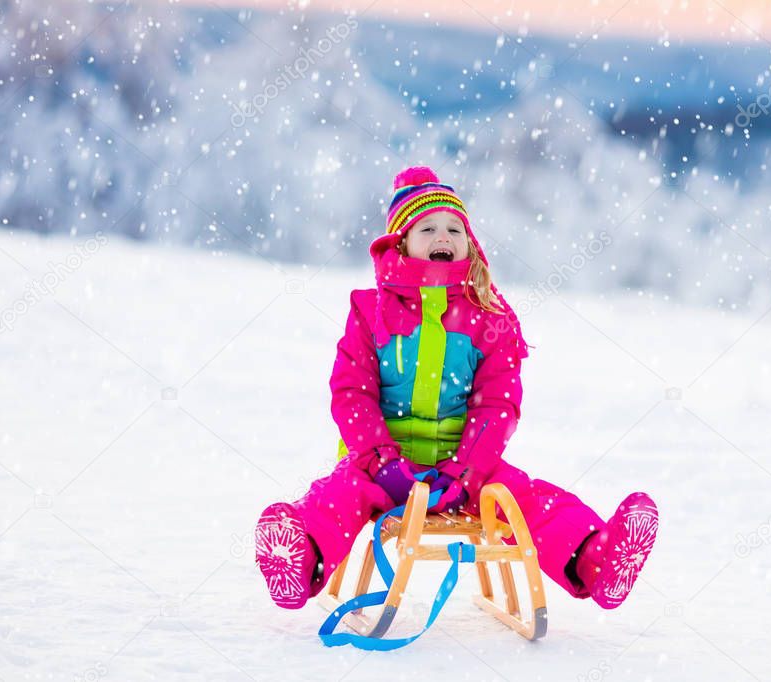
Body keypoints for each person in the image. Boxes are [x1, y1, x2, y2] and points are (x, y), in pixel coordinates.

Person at [255, 166, 659, 612]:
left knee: (525, 497)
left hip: (466, 469)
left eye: (454, 228)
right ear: (401, 242)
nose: (442, 235)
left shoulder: (488, 316)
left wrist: (465, 473)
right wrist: (383, 461)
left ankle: (596, 560)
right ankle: (300, 557)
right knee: (339, 494)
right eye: (426, 227)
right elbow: (352, 393)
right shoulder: (371, 312)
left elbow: (498, 404)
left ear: (469, 243)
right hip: (381, 466)